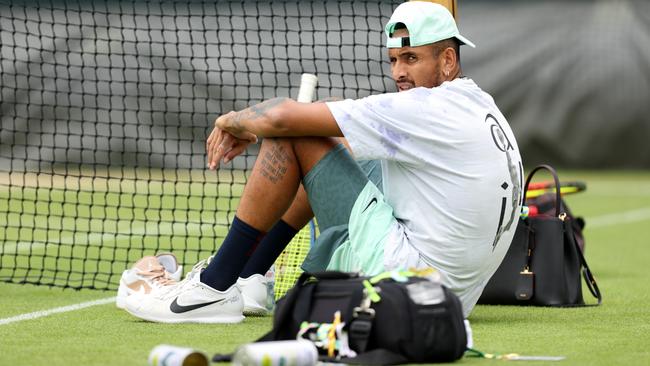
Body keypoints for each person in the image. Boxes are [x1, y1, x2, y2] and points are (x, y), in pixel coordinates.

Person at [124, 1, 523, 324]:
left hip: (406, 283)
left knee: (295, 136)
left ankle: (212, 288)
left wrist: (232, 120)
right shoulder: (477, 103)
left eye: (411, 58)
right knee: (341, 149)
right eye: (393, 60)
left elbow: (283, 118)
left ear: (448, 60)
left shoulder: (426, 108)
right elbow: (341, 139)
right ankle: (252, 277)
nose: (399, 73)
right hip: (453, 299)